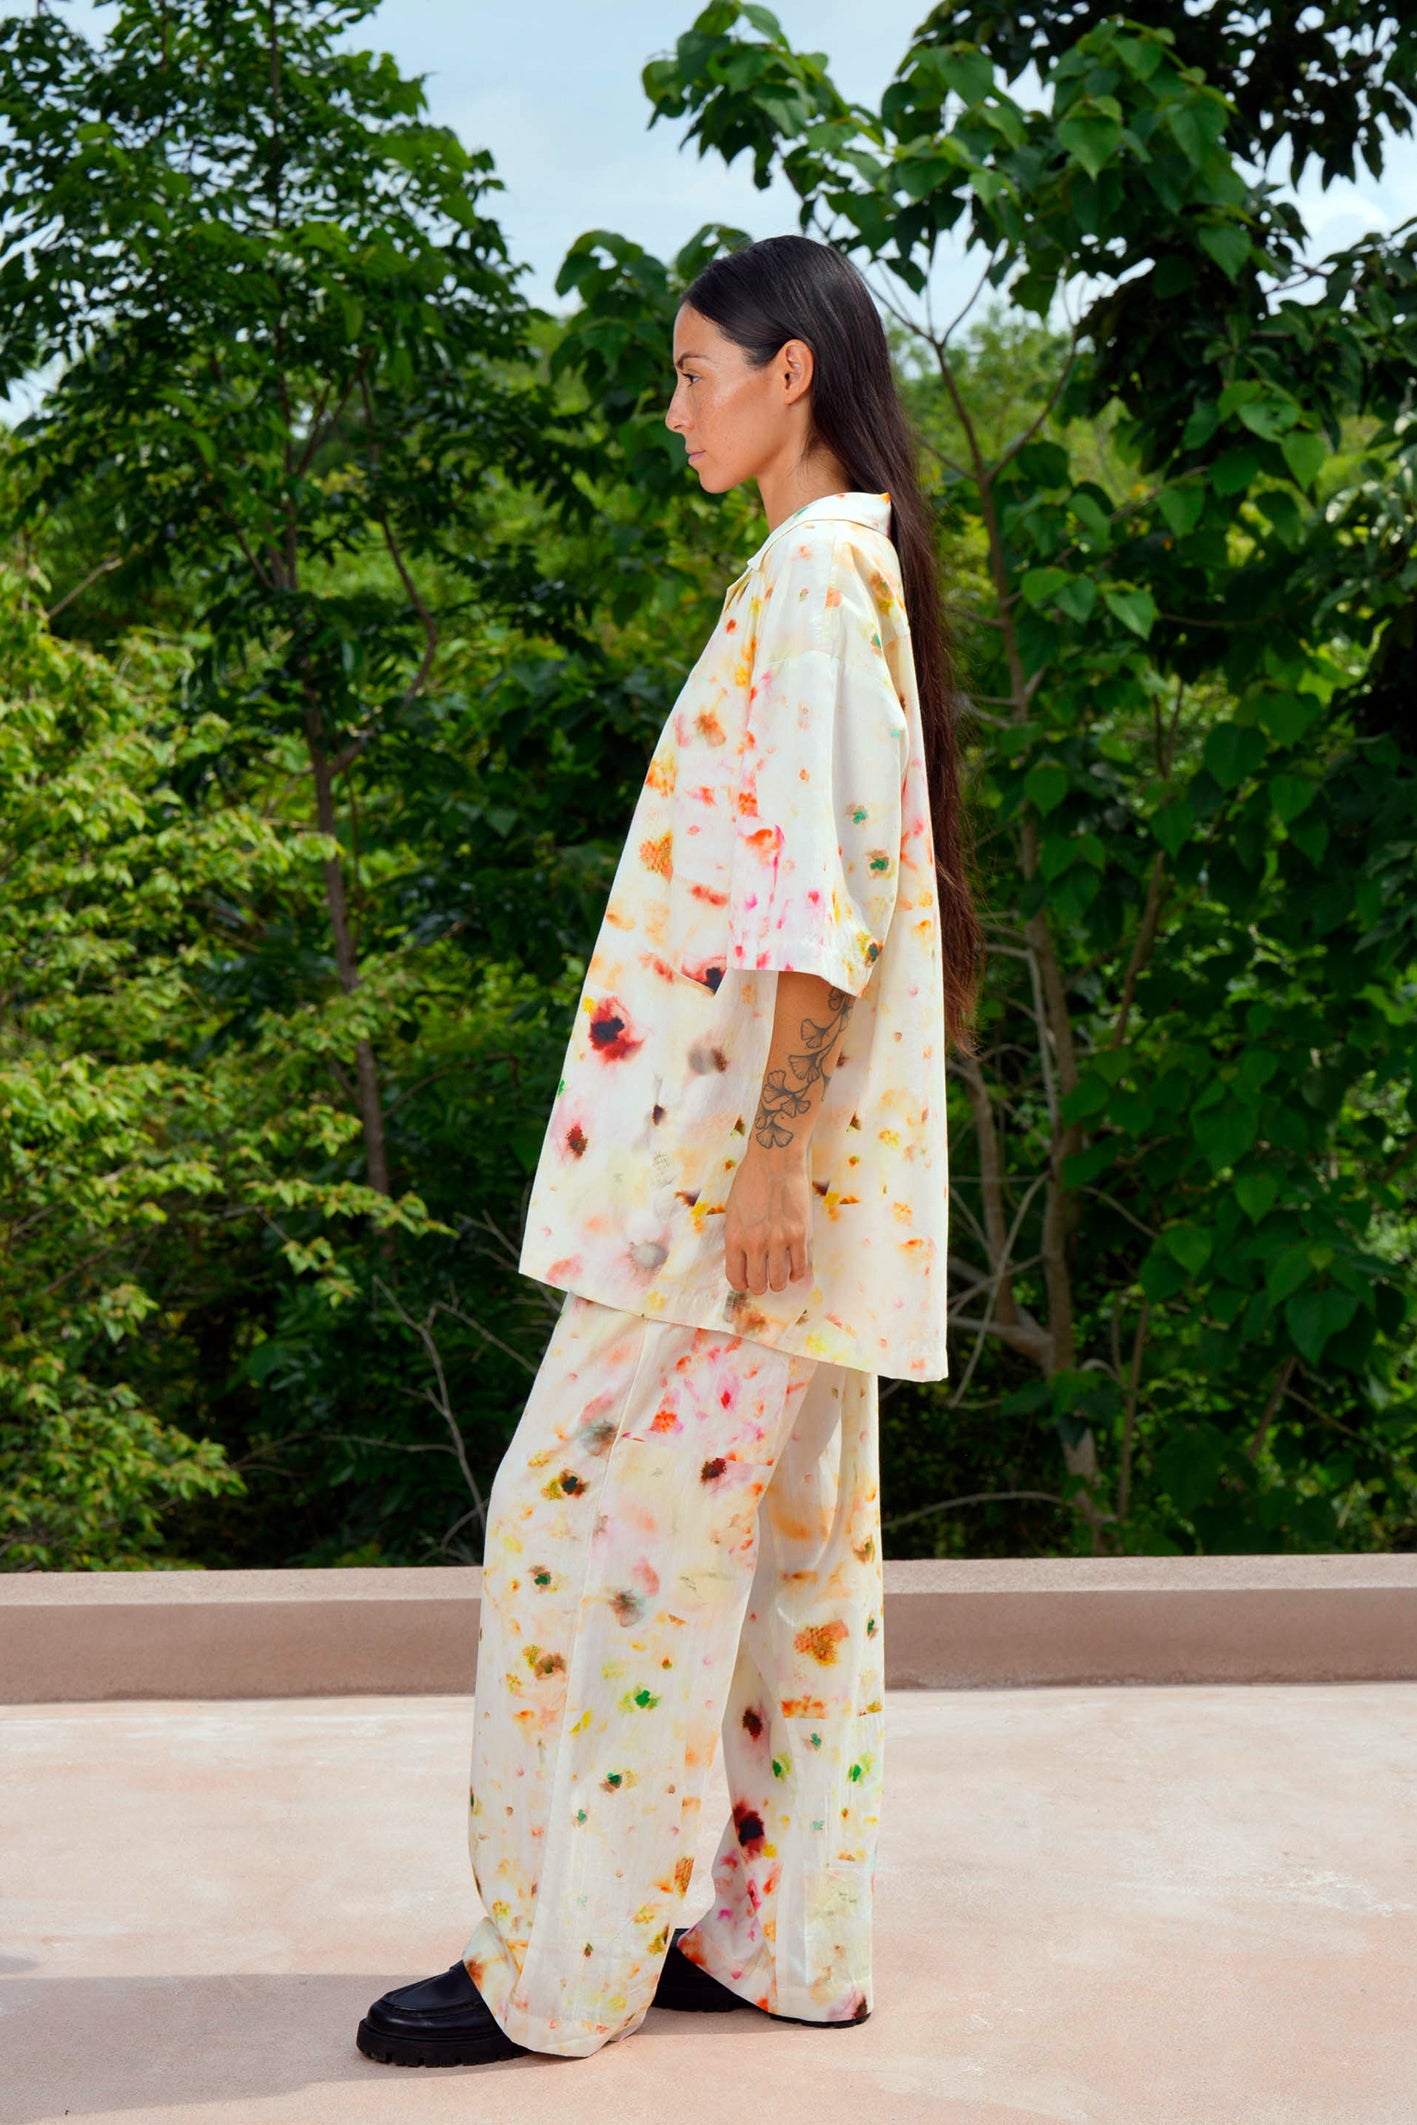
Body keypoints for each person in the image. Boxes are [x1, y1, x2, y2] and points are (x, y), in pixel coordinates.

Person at [356, 231, 981, 2071]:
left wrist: (767, 1169)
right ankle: (777, 1938)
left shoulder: (808, 582)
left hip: (730, 1204)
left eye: (697, 371)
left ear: (791, 377)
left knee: (581, 1541)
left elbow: (812, 912)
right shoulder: (848, 578)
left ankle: (553, 1966)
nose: (673, 406)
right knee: (785, 1561)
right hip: (787, 1197)